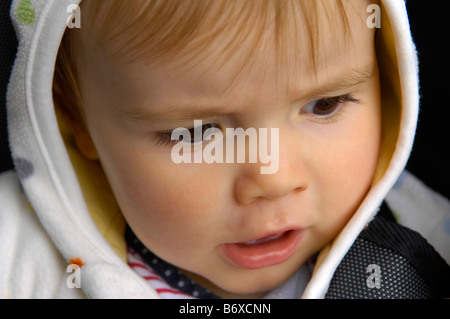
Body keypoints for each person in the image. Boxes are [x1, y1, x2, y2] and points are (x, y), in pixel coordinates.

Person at [1, 0, 449, 299]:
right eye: (196, 133)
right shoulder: (18, 255)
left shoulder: (427, 249)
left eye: (324, 105)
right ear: (76, 122)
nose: (273, 178)